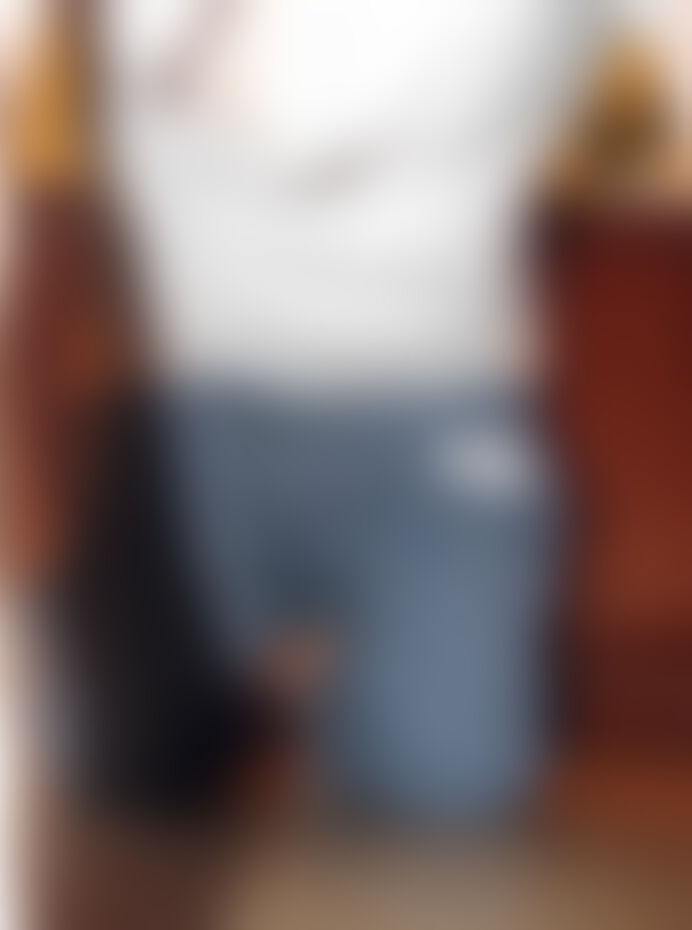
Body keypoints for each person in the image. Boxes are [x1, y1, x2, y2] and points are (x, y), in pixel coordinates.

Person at [85, 0, 653, 821]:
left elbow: (301, 124)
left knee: (446, 803)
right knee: (109, 793)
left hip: (435, 432)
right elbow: (265, 115)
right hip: (189, 433)